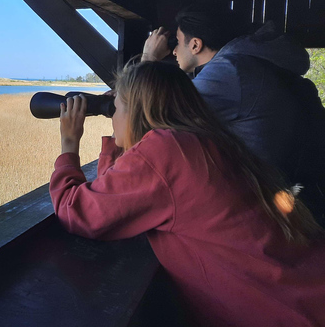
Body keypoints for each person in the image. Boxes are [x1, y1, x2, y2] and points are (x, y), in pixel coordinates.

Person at [51, 61, 325, 327]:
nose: (113, 115)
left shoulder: (164, 151)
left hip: (291, 311)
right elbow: (115, 194)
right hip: (306, 288)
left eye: (116, 108)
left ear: (135, 111)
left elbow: (77, 211)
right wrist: (118, 139)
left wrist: (69, 143)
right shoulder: (203, 140)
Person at [142, 4, 325, 224]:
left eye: (177, 42)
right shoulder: (247, 63)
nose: (172, 51)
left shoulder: (229, 70)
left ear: (195, 44)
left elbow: (154, 113)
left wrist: (148, 59)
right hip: (295, 192)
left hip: (275, 208)